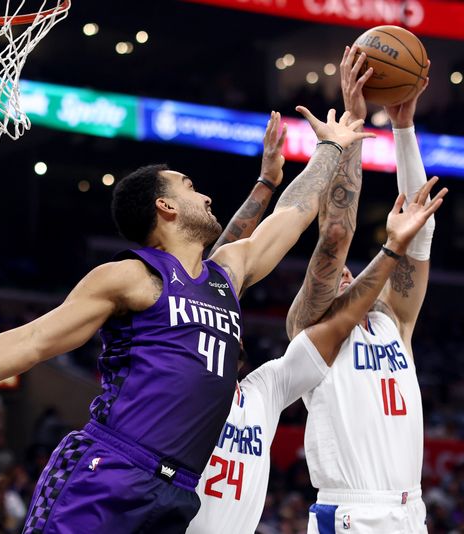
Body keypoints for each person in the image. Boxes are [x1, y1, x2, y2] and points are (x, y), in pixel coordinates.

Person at [0, 108, 373, 532]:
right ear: (165, 206)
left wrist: (329, 149)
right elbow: (31, 342)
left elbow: (296, 212)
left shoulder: (227, 274)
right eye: (191, 185)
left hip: (177, 491)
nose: (206, 193)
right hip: (109, 472)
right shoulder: (131, 278)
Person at [187, 46, 374, 534]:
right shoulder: (180, 378)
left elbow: (335, 237)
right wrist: (267, 185)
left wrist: (349, 134)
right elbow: (218, 274)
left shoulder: (263, 390)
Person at [299, 55, 445, 533]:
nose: (344, 274)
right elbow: (335, 233)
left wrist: (404, 130)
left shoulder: (393, 324)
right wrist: (354, 126)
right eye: (336, 272)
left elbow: (419, 225)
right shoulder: (312, 330)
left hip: (410, 509)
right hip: (352, 512)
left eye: (348, 272)